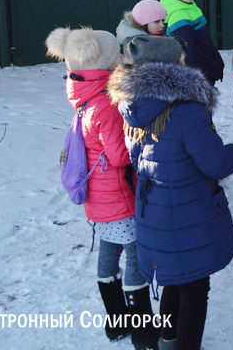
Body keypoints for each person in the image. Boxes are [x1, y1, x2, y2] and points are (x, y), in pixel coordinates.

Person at [109, 35, 233, 350]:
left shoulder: (133, 106)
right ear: (173, 64)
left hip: (154, 211)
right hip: (186, 211)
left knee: (175, 282)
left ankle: (168, 340)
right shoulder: (186, 110)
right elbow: (215, 162)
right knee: (194, 290)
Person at [45, 27, 159, 349]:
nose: (123, 57)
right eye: (118, 54)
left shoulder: (85, 97)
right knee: (135, 255)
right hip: (118, 195)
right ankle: (143, 332)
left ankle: (116, 322)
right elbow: (120, 155)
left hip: (99, 196)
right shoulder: (105, 106)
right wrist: (138, 134)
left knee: (110, 249)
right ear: (105, 64)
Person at [161, 0, 224, 85]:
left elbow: (207, 41)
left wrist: (218, 61)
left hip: (204, 74)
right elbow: (190, 52)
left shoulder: (193, 9)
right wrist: (213, 69)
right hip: (192, 78)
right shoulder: (179, 15)